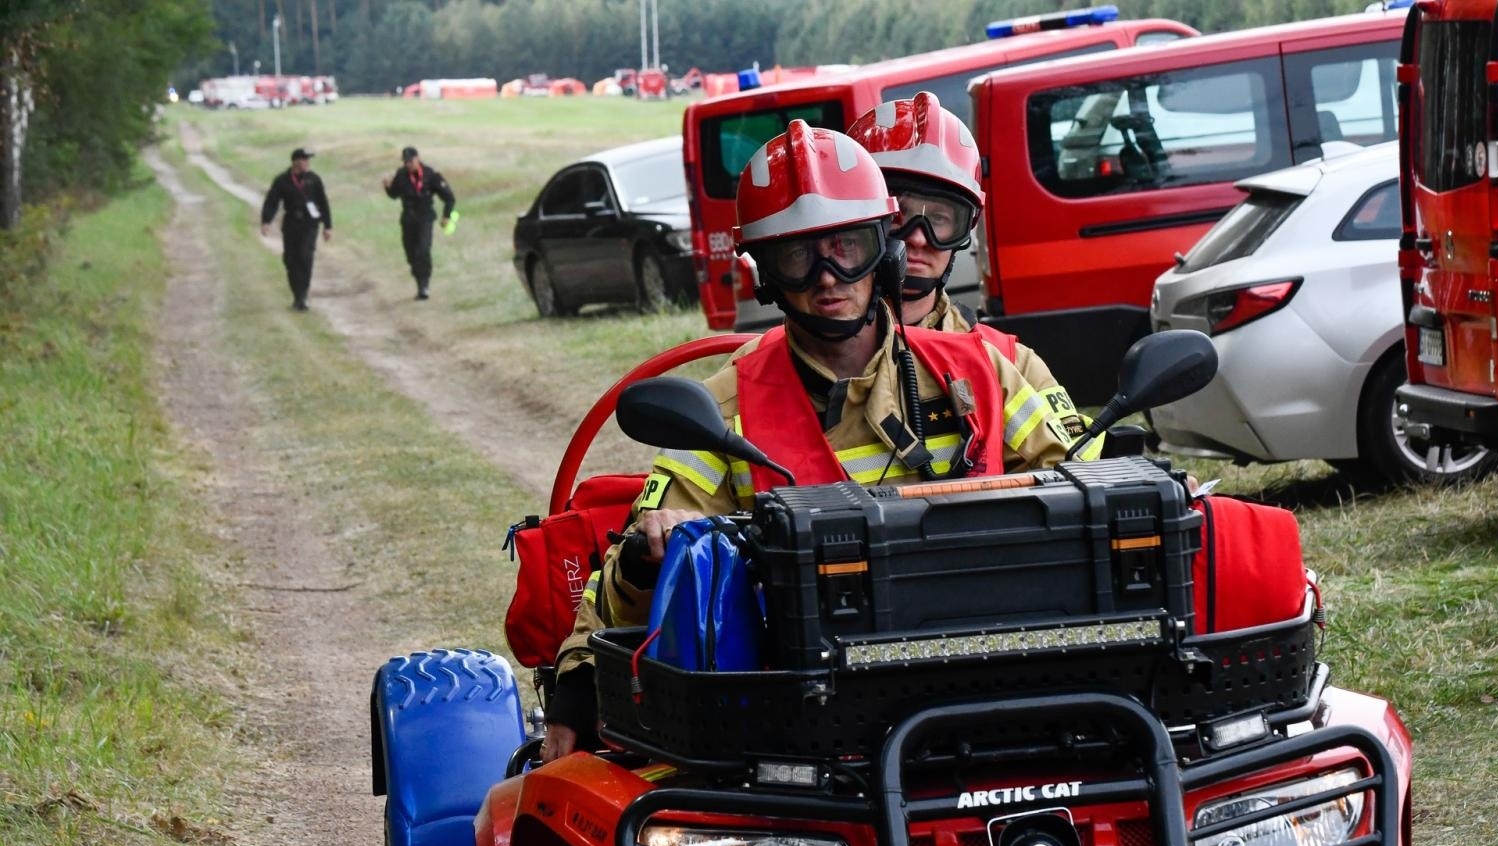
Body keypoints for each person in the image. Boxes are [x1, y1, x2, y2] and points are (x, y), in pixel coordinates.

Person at [538, 120, 1098, 762]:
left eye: (846, 248)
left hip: (998, 690)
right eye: (798, 257)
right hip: (813, 728)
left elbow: (1089, 487)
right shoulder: (724, 410)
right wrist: (581, 678)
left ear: (882, 252)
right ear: (766, 275)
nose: (828, 277)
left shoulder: (984, 372)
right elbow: (627, 573)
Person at [845, 91, 1099, 453]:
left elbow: (1080, 464)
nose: (918, 238)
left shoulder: (1010, 362)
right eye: (898, 215)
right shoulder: (802, 361)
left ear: (967, 227)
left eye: (940, 219)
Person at [260, 147, 332, 312]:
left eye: (308, 160)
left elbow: (323, 202)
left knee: (305, 256)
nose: (308, 162)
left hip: (310, 224)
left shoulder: (314, 179)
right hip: (291, 223)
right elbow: (272, 201)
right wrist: (266, 221)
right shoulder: (282, 180)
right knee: (291, 260)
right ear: (296, 162)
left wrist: (328, 226)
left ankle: (303, 296)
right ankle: (297, 295)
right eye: (305, 159)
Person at [382, 146, 456, 300]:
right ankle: (419, 282)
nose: (408, 164)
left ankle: (424, 286)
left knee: (423, 250)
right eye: (405, 162)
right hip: (408, 218)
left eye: (410, 161)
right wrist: (387, 187)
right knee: (411, 254)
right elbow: (394, 194)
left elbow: (449, 197)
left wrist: (446, 216)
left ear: (417, 159)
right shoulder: (401, 175)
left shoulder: (430, 175)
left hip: (425, 217)